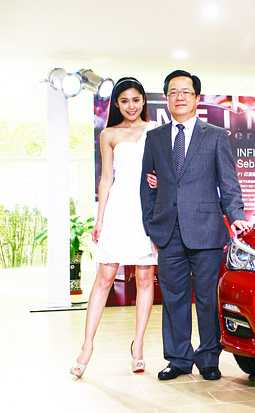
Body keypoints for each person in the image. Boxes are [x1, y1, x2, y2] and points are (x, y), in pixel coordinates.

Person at [140, 70, 251, 381]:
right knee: (173, 299)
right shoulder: (155, 138)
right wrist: (151, 224)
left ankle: (208, 358)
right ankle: (178, 359)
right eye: (173, 92)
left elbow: (228, 181)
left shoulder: (215, 135)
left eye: (185, 92)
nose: (179, 97)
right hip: (168, 231)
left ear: (196, 98)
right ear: (166, 98)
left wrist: (236, 214)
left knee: (207, 299)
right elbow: (147, 185)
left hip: (207, 230)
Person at [70, 77, 159, 378]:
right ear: (117, 104)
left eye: (135, 99)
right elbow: (106, 177)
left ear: (143, 100)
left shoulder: (156, 130)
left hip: (146, 210)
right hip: (119, 208)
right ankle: (86, 347)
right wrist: (100, 218)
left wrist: (159, 180)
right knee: (104, 278)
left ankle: (138, 347)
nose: (131, 106)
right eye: (124, 101)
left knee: (145, 278)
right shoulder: (108, 134)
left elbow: (168, 171)